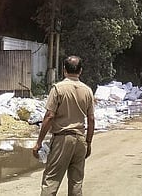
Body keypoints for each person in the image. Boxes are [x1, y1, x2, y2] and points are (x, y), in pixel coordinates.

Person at [32, 55, 96, 196]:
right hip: (80, 140)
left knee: (51, 180)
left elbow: (49, 116)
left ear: (64, 70)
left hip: (62, 139)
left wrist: (39, 142)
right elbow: (91, 119)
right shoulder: (87, 91)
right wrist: (88, 143)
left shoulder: (58, 89)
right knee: (76, 182)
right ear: (80, 71)